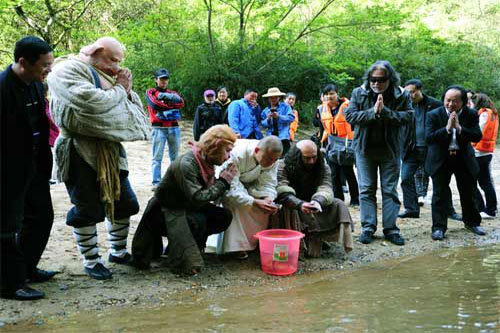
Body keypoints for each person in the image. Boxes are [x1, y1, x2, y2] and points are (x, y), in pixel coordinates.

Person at [47, 36, 150, 280]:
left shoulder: (107, 76)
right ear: (95, 51)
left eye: (119, 62)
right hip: (78, 151)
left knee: (125, 203)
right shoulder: (65, 70)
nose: (116, 67)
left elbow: (126, 109)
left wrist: (118, 92)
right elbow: (91, 103)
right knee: (87, 208)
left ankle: (118, 251)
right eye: (112, 60)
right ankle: (91, 261)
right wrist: (119, 90)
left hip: (110, 151)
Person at [131, 125, 238, 274]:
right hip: (165, 211)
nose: (228, 156)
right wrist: (223, 182)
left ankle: (191, 246)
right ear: (215, 146)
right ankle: (180, 251)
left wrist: (223, 184)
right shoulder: (187, 164)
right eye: (227, 151)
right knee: (198, 221)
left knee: (223, 216)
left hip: (185, 205)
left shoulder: (205, 159)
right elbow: (199, 199)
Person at [1, 36, 55, 300]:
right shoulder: (2, 89)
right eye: (44, 65)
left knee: (42, 217)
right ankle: (9, 285)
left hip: (35, 165)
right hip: (7, 170)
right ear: (23, 62)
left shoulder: (35, 85)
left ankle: (26, 269)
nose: (49, 70)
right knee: (6, 228)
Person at [345, 60, 413, 246]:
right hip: (364, 149)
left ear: (390, 79)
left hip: (390, 149)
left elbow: (408, 116)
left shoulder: (401, 95)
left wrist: (386, 112)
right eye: (373, 79)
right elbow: (349, 116)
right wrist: (372, 112)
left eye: (381, 79)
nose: (376, 83)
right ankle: (368, 227)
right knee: (366, 189)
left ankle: (390, 229)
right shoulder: (359, 92)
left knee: (389, 190)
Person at [275, 140, 354, 257]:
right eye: (307, 158)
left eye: (314, 157)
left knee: (339, 204)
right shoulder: (283, 165)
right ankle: (299, 243)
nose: (311, 161)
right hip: (291, 202)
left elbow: (326, 186)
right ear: (298, 156)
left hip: (313, 201)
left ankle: (323, 237)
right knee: (285, 208)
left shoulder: (323, 166)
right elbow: (281, 187)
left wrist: (318, 201)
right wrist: (299, 204)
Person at [425, 85, 485, 240]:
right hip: (440, 159)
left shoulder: (471, 114)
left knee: (468, 191)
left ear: (463, 102)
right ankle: (438, 227)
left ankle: (472, 222)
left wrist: (459, 128)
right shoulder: (433, 114)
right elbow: (429, 138)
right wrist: (446, 128)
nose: (451, 104)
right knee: (439, 194)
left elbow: (477, 136)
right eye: (448, 100)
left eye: (455, 101)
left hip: (463, 158)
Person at [218, 136, 283, 259]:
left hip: (251, 187)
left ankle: (255, 244)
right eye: (268, 158)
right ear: (257, 150)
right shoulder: (235, 154)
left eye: (275, 160)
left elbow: (269, 182)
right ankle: (236, 247)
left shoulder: (273, 160)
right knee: (236, 204)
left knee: (264, 208)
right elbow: (231, 187)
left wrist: (267, 197)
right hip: (229, 186)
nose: (271, 163)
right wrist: (252, 201)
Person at [320, 84, 359, 205]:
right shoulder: (323, 109)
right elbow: (324, 127)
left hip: (346, 144)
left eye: (331, 93)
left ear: (337, 93)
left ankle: (355, 199)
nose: (329, 96)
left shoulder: (347, 106)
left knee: (348, 171)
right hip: (331, 143)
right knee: (334, 173)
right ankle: (338, 200)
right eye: (326, 94)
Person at [146, 68, 185, 188]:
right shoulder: (151, 92)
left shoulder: (173, 92)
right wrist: (171, 105)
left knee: (175, 158)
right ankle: (156, 183)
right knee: (157, 158)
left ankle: (174, 183)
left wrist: (164, 103)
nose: (164, 81)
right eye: (161, 79)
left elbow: (181, 103)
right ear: (156, 80)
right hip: (158, 128)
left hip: (174, 128)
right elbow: (154, 104)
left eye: (166, 79)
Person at [471, 93, 498, 219]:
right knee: (485, 182)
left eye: (472, 103)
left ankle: (486, 209)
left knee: (473, 181)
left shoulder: (484, 113)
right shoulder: (492, 113)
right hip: (486, 151)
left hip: (478, 152)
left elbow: (478, 131)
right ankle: (489, 209)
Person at [260, 87, 295, 155]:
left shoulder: (286, 107)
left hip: (283, 137)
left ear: (279, 97)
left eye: (275, 97)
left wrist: (279, 117)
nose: (273, 99)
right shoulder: (265, 110)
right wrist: (268, 119)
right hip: (270, 137)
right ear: (268, 98)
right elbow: (263, 124)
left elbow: (291, 118)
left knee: (284, 157)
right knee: (271, 158)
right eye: (271, 97)